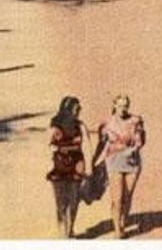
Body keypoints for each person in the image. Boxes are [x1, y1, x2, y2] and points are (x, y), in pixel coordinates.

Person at [97, 95, 145, 238]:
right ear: (114, 105)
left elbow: (140, 141)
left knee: (127, 196)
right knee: (116, 198)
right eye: (120, 105)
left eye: (125, 105)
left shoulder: (136, 120)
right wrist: (96, 161)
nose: (123, 109)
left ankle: (123, 222)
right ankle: (117, 229)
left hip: (132, 160)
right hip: (114, 159)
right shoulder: (107, 123)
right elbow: (101, 144)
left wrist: (135, 148)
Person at [47, 96, 94, 238]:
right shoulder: (55, 126)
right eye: (76, 108)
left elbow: (87, 145)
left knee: (74, 200)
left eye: (79, 108)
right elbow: (49, 145)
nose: (79, 111)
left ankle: (70, 229)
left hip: (77, 166)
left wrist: (89, 168)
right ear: (68, 109)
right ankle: (63, 232)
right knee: (61, 201)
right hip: (60, 166)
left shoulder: (80, 126)